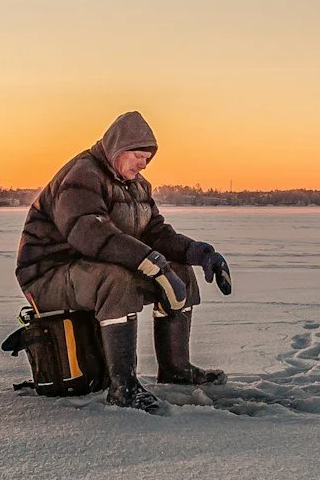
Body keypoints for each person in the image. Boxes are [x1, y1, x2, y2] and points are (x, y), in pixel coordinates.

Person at [16, 111, 231, 413]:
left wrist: (200, 253)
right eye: (138, 156)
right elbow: (89, 233)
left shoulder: (138, 186)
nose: (143, 165)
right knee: (116, 279)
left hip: (87, 267)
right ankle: (123, 387)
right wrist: (151, 263)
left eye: (147, 159)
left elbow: (155, 233)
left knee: (179, 271)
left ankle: (176, 370)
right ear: (117, 149)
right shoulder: (82, 175)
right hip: (47, 273)